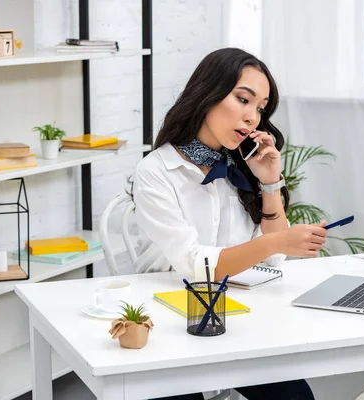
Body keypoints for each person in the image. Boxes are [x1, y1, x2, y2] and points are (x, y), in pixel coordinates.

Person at [131, 48, 328, 400]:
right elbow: (195, 264)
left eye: (260, 108)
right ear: (207, 94)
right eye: (243, 99)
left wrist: (269, 182)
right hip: (166, 329)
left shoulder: (239, 168)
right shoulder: (156, 172)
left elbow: (271, 261)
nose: (253, 117)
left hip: (233, 321)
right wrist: (278, 242)